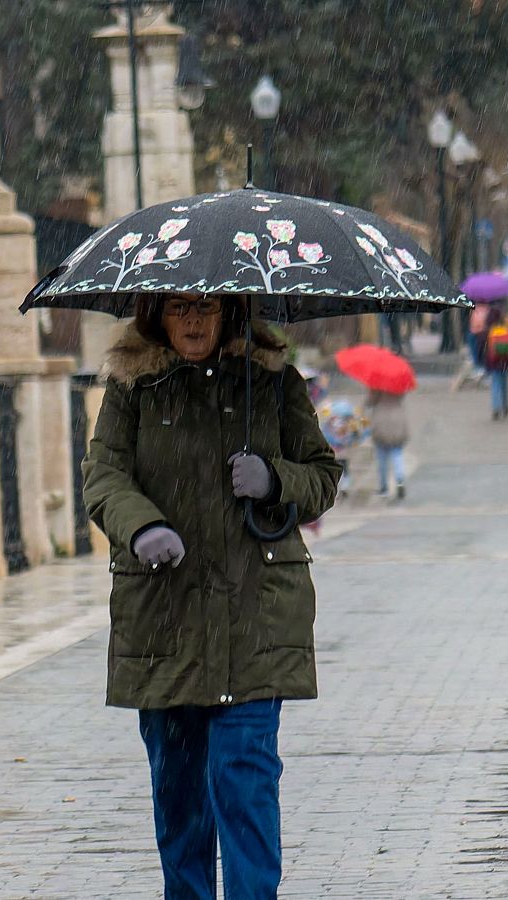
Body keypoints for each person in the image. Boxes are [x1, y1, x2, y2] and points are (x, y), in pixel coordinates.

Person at [82, 293, 340, 898]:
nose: (193, 320)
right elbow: (104, 475)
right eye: (179, 308)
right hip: (164, 617)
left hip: (256, 617)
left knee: (244, 778)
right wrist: (142, 526)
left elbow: (322, 476)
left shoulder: (271, 382)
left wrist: (275, 478)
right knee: (180, 797)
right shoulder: (132, 388)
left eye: (205, 307)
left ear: (231, 311)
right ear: (156, 314)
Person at [481, 297, 508, 420]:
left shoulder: (489, 322)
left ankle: (496, 407)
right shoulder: (507, 319)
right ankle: (505, 406)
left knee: (496, 382)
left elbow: (484, 341)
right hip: (506, 358)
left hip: (493, 358)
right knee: (504, 383)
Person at [367, 388, 410, 500]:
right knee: (397, 454)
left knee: (382, 458)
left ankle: (384, 488)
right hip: (397, 418)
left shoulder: (376, 386)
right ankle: (399, 480)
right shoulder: (398, 385)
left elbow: (370, 402)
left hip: (381, 419)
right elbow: (401, 396)